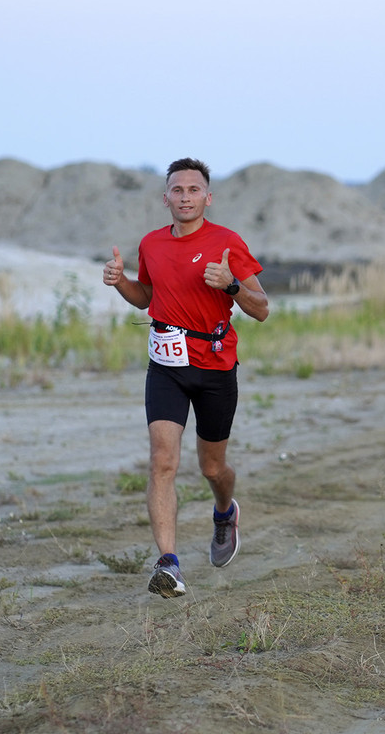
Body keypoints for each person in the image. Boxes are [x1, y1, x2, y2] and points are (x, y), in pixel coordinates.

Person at [104, 157, 269, 598]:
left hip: (215, 367)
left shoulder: (227, 242)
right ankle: (169, 564)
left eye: (194, 190)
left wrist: (231, 285)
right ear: (166, 198)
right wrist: (120, 282)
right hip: (166, 368)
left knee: (212, 467)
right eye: (177, 190)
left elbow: (262, 308)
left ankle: (224, 511)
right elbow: (145, 297)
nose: (185, 197)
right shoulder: (152, 244)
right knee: (162, 461)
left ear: (207, 198)